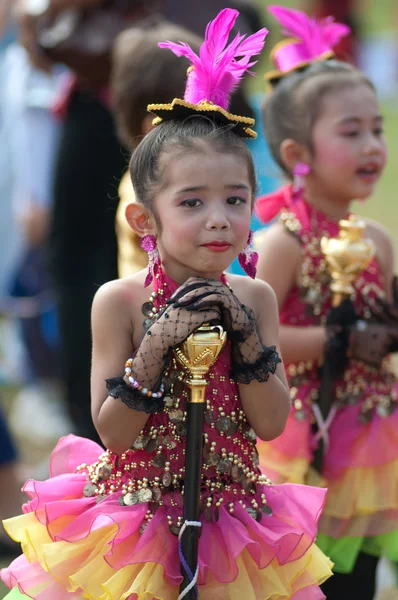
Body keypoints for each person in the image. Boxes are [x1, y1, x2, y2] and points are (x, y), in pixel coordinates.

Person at [0, 9, 333, 599]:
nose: (217, 219)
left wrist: (246, 337)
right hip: (138, 522)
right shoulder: (119, 301)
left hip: (233, 524)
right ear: (142, 218)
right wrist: (159, 341)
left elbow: (272, 422)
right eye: (191, 202)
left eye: (235, 199)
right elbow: (114, 433)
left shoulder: (252, 296)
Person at [255, 6, 398, 600]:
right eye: (351, 131)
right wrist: (337, 341)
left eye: (378, 129)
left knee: (359, 578)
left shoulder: (377, 240)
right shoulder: (282, 243)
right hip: (298, 441)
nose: (371, 145)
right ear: (296, 153)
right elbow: (255, 339)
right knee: (303, 579)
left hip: (369, 438)